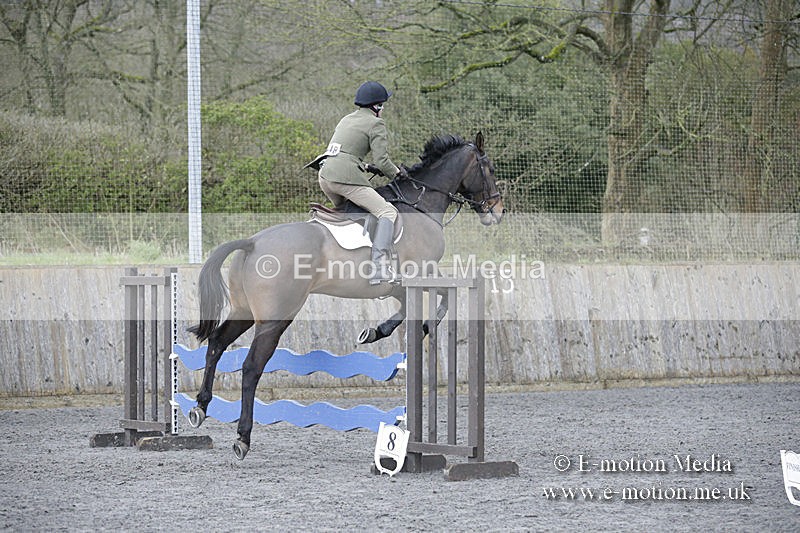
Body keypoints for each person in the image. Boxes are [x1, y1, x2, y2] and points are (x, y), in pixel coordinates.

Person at [314, 81, 407, 285]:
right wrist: (397, 173)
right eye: (382, 105)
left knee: (355, 212)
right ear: (377, 106)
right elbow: (383, 160)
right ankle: (380, 267)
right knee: (387, 212)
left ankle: (354, 257)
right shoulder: (376, 124)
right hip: (345, 179)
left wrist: (366, 166)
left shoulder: (347, 119)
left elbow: (344, 152)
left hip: (325, 175)